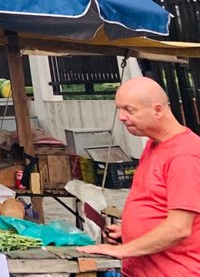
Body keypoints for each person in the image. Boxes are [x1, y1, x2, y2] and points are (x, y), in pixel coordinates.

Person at [78, 76, 200, 273]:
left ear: (158, 110)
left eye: (129, 110)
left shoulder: (185, 155)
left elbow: (179, 228)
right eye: (119, 109)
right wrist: (129, 234)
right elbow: (155, 205)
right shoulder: (154, 144)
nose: (121, 117)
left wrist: (125, 249)